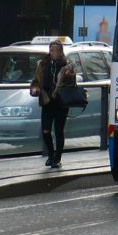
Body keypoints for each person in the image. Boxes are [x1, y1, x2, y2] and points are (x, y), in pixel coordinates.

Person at [30, 40, 76, 169]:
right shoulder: (43, 64)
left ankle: (57, 158)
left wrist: (69, 76)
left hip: (61, 103)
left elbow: (72, 85)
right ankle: (50, 155)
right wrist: (34, 89)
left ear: (61, 52)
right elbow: (36, 82)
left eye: (56, 51)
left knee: (59, 131)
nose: (54, 53)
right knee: (45, 131)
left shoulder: (67, 65)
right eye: (51, 50)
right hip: (47, 102)